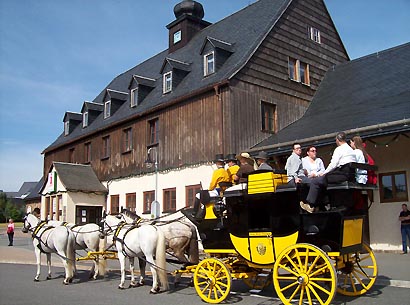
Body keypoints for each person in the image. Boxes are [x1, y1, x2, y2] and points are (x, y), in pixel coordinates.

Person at [300, 132, 357, 213]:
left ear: (337, 140)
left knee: (316, 181)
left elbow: (333, 164)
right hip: (350, 174)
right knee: (321, 180)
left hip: (341, 174)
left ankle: (311, 205)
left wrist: (325, 173)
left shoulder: (339, 149)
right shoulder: (351, 149)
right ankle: (324, 203)